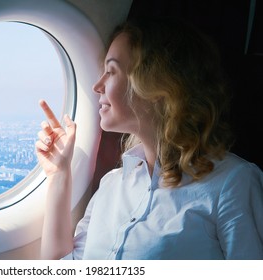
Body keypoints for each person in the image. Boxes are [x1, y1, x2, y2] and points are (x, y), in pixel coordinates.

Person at [35, 17, 263, 260]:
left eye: (111, 72)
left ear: (156, 85)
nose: (97, 86)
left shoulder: (233, 183)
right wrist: (60, 174)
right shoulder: (112, 185)